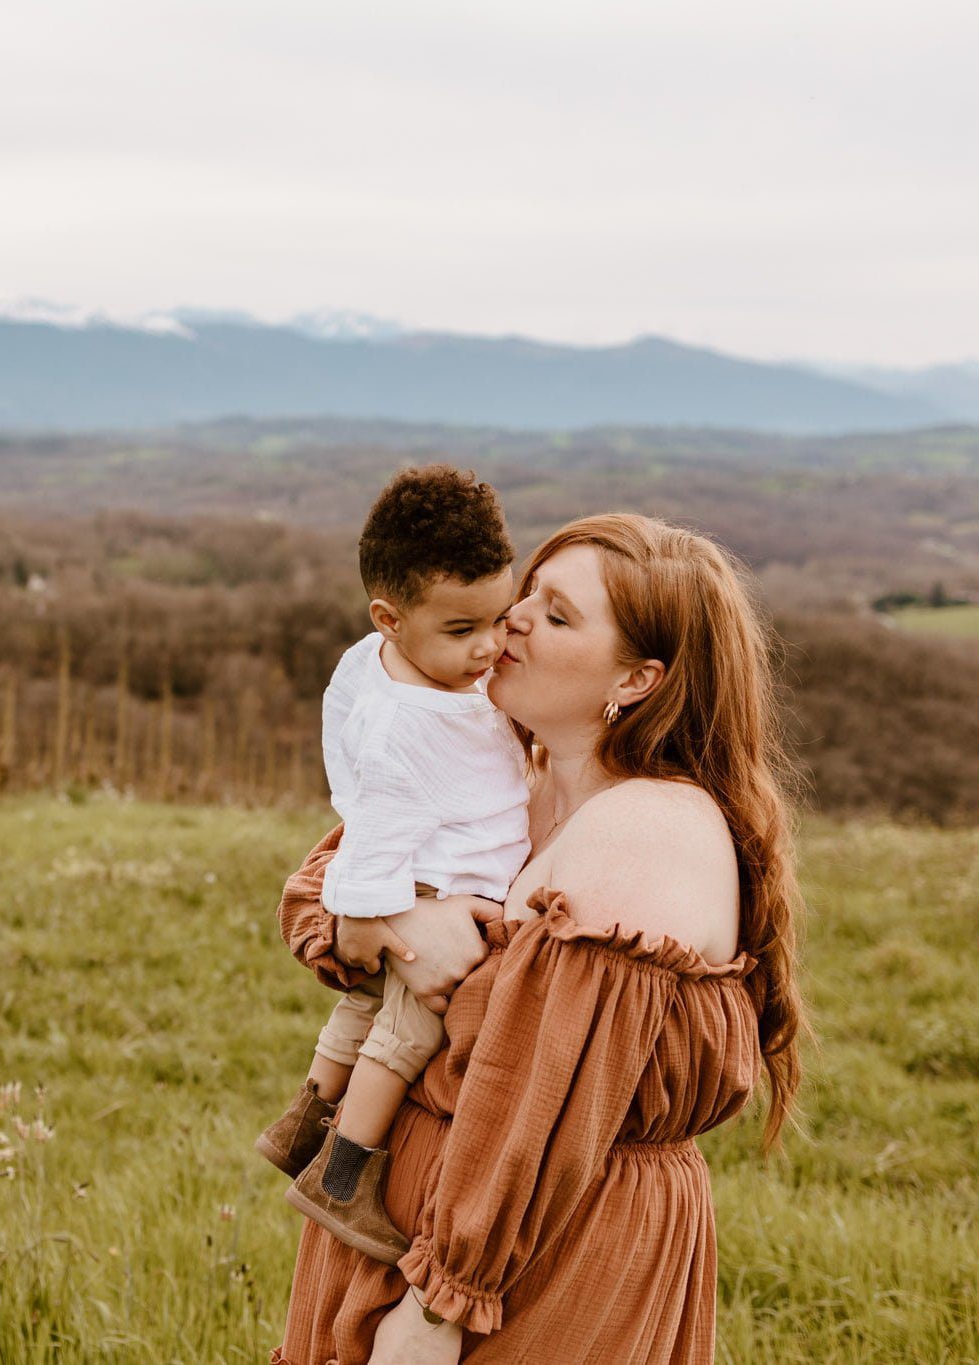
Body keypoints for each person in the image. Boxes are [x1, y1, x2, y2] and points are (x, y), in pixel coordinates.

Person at [272, 513, 806, 1365]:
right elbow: (315, 892)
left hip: (535, 1262)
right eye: (528, 595)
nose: (514, 619)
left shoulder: (646, 831)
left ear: (635, 678)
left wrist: (441, 1303)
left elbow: (542, 1101)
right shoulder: (503, 783)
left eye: (557, 616)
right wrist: (399, 919)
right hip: (411, 1225)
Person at [255, 466, 531, 1264]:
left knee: (360, 1013)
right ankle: (343, 1177)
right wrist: (370, 912)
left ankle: (304, 1117)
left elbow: (349, 755)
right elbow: (375, 820)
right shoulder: (414, 726)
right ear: (392, 617)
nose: (488, 647)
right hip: (424, 886)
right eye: (460, 630)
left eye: (499, 619)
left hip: (411, 871)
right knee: (406, 1031)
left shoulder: (378, 664)